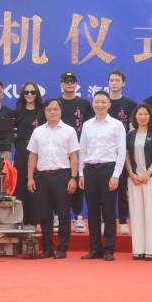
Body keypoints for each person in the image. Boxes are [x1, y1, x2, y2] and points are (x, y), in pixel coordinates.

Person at [27, 98, 80, 258]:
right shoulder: (38, 131)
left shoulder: (69, 131)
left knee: (63, 214)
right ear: (45, 112)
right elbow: (33, 156)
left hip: (62, 176)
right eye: (49, 109)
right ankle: (48, 248)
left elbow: (74, 156)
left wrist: (73, 177)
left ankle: (62, 248)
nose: (52, 112)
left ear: (60, 111)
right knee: (44, 215)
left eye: (55, 109)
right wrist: (30, 177)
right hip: (42, 176)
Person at [79, 91, 126, 261]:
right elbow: (82, 150)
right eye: (97, 102)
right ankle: (94, 248)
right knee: (92, 212)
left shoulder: (117, 125)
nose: (100, 105)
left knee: (108, 211)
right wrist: (81, 173)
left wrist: (116, 175)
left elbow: (121, 152)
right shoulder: (87, 125)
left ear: (109, 104)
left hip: (108, 170)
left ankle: (109, 249)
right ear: (93, 104)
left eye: (103, 102)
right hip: (90, 170)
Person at [124, 104, 152, 260]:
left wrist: (148, 173)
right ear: (135, 116)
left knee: (151, 213)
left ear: (150, 116)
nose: (142, 117)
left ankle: (151, 249)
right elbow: (126, 156)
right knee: (136, 213)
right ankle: (138, 248)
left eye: (145, 114)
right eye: (140, 114)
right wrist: (131, 173)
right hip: (134, 179)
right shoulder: (130, 135)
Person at [56, 71, 94, 233]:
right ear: (61, 84)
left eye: (72, 81)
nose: (69, 84)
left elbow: (91, 127)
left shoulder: (84, 104)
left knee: (77, 184)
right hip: (58, 150)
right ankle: (57, 215)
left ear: (76, 84)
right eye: (66, 81)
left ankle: (78, 216)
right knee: (58, 185)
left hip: (78, 150)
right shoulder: (56, 103)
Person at [106, 70, 138, 236]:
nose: (114, 83)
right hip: (105, 153)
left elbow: (134, 129)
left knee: (123, 188)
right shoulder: (102, 102)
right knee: (105, 190)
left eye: (117, 80)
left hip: (124, 152)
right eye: (111, 80)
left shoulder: (130, 104)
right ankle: (106, 221)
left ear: (123, 83)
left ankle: (123, 221)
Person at [12, 80, 47, 226]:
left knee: (36, 183)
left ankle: (35, 220)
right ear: (23, 94)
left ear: (37, 94)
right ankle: (20, 219)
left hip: (39, 151)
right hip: (21, 151)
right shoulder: (17, 112)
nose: (29, 95)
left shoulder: (42, 112)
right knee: (21, 183)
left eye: (32, 92)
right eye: (26, 92)